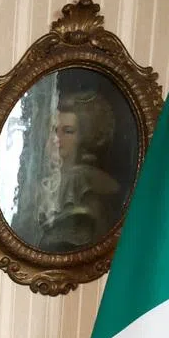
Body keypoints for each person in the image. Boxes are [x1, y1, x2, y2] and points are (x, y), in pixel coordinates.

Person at [33, 90, 121, 252]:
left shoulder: (80, 180)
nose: (57, 138)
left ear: (85, 136)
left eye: (68, 131)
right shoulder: (51, 180)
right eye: (54, 130)